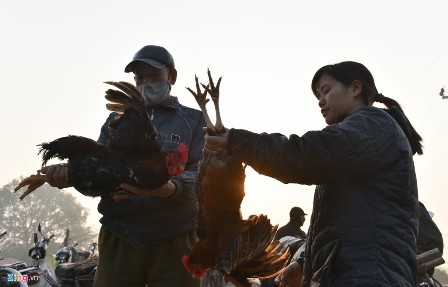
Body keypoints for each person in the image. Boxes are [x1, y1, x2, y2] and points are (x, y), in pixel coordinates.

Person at [204, 61, 423, 287]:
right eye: (318, 95)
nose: (320, 100)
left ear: (355, 88)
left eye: (326, 90)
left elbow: (305, 155)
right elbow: (339, 224)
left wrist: (241, 143)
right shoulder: (357, 141)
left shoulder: (373, 126)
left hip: (370, 276)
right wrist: (304, 262)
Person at [41, 45, 205, 287]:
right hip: (120, 232)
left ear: (172, 76)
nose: (145, 82)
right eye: (140, 77)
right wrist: (69, 173)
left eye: (154, 75)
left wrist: (170, 189)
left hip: (176, 235)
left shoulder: (194, 120)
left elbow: (204, 178)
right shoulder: (115, 120)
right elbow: (98, 167)